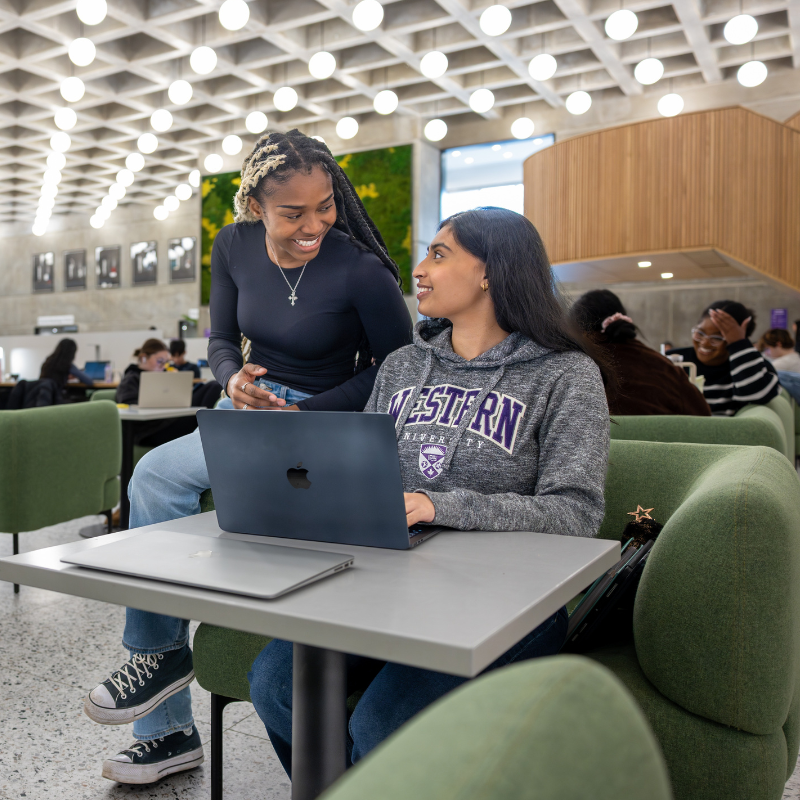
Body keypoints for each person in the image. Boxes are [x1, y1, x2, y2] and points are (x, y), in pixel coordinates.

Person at [83, 129, 413, 784]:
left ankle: (165, 698)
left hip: (325, 419)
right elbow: (220, 338)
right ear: (256, 204)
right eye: (295, 212)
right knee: (152, 475)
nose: (314, 224)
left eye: (325, 205)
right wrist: (232, 379)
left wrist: (306, 411)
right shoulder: (231, 245)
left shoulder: (360, 269)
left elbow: (398, 370)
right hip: (247, 410)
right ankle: (167, 710)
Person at [248, 207, 611, 776]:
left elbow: (577, 513)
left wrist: (442, 505)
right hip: (387, 586)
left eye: (439, 254)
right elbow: (355, 471)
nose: (418, 269)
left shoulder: (564, 375)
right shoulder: (400, 366)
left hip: (507, 601)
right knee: (275, 686)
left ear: (492, 271)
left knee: (378, 725)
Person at [570, 289, 710, 416]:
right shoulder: (664, 366)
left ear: (576, 327)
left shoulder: (577, 365)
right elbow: (703, 417)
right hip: (659, 443)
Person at [668, 300, 779, 416]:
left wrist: (739, 343)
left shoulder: (750, 365)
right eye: (699, 333)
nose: (705, 343)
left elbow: (758, 396)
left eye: (716, 338)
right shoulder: (674, 360)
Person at [115, 338, 203, 448]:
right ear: (143, 358)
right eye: (160, 361)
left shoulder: (164, 378)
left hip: (166, 423)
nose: (163, 366)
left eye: (166, 362)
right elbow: (129, 407)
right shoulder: (131, 379)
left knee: (208, 391)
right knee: (211, 389)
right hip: (148, 432)